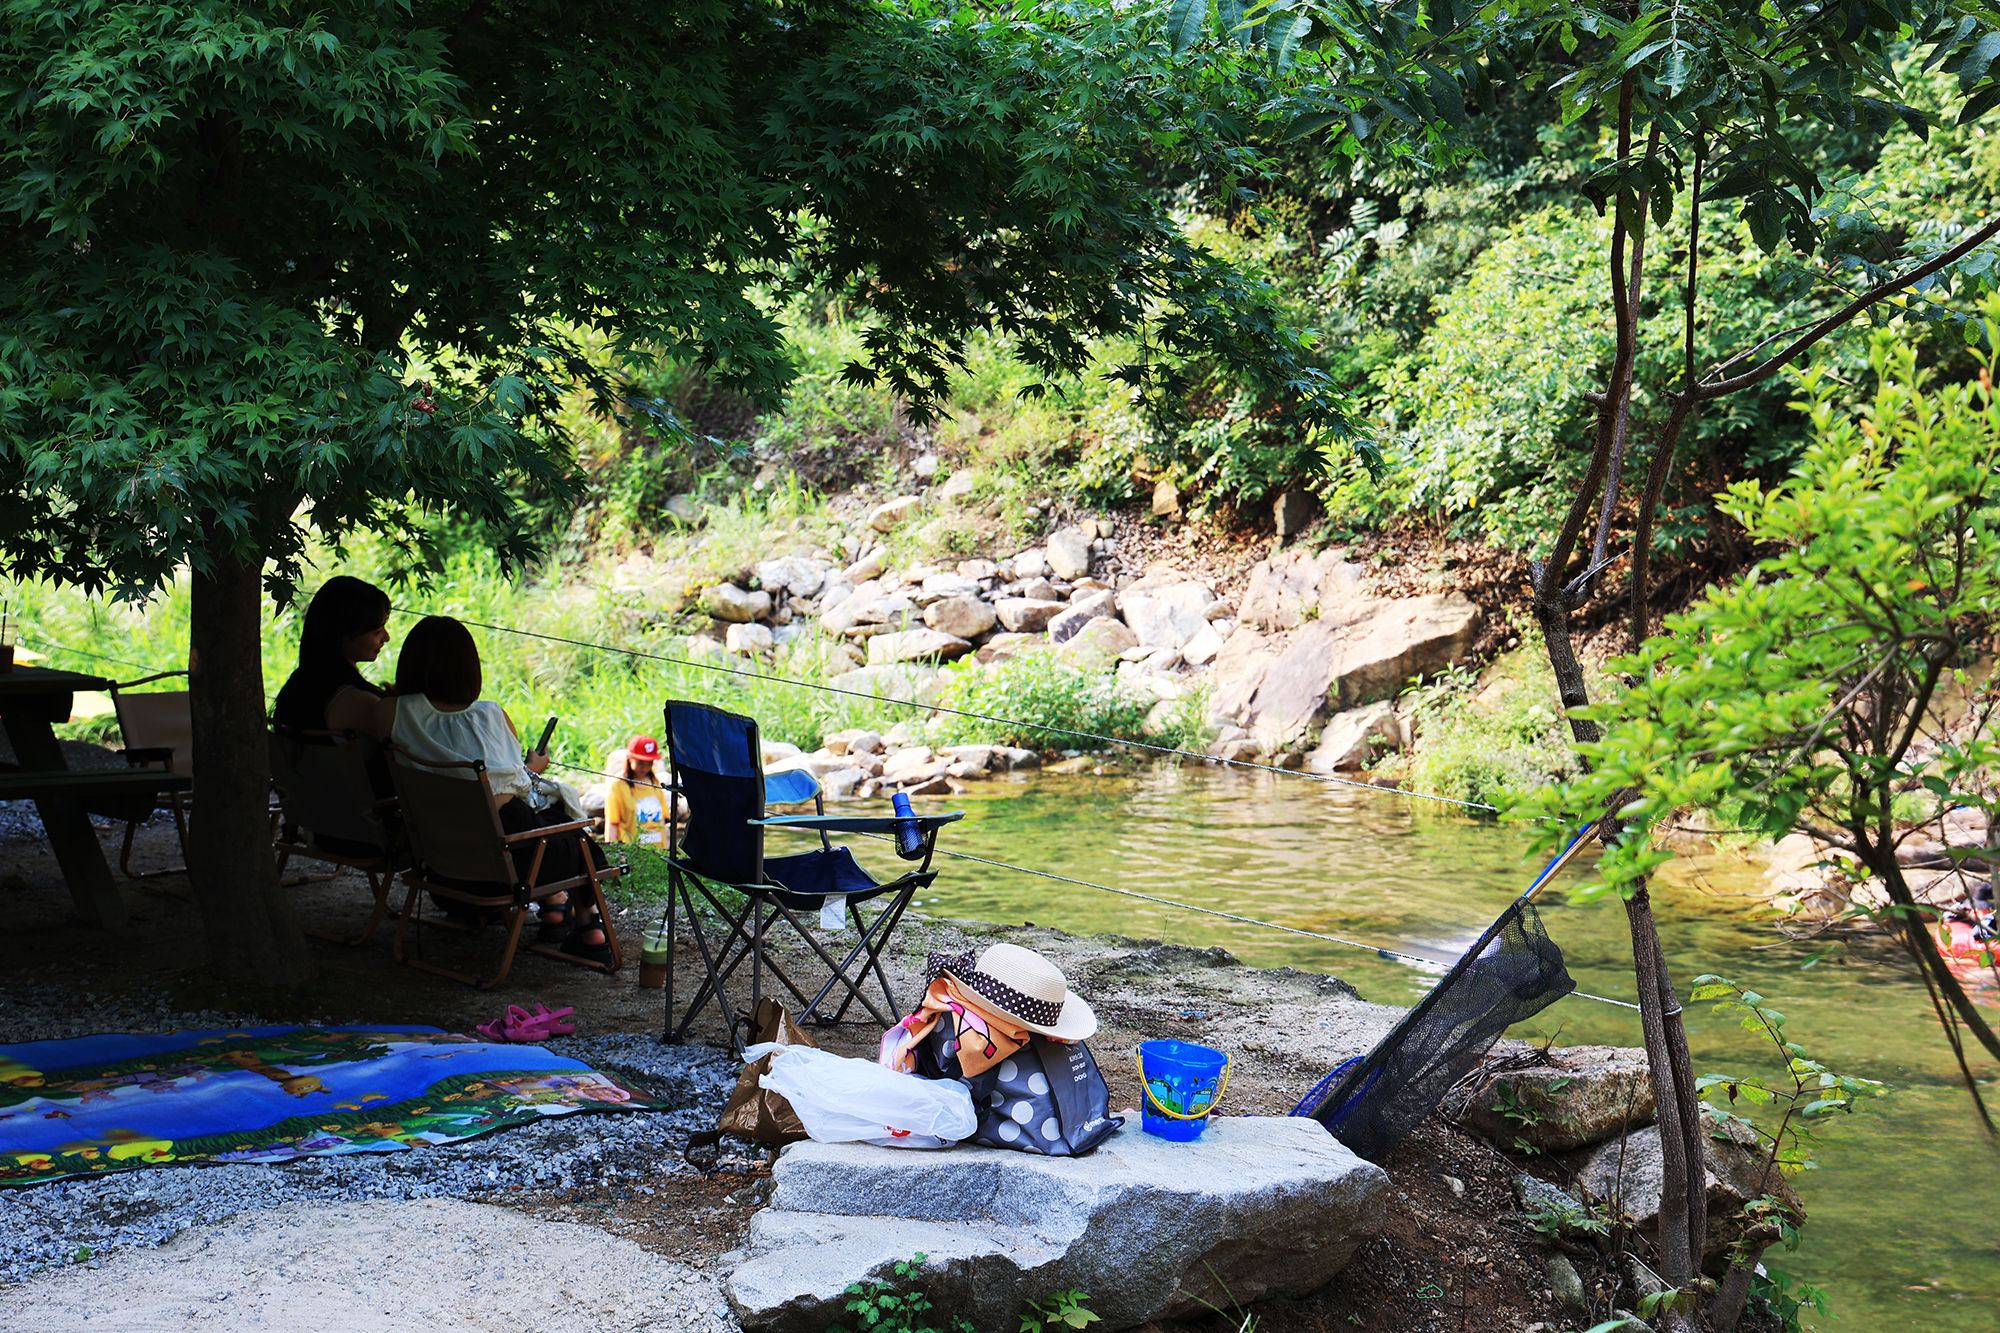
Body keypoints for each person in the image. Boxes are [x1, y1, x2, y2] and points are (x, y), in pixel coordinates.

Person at [382, 615, 612, 962]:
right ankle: (587, 925)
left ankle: (555, 909)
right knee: (575, 836)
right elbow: (506, 786)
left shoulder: (390, 712)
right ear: (469, 670)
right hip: (508, 866)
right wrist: (533, 770)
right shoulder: (491, 716)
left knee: (537, 824)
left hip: (442, 864)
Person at [272, 576, 393, 734]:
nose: (386, 637)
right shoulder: (361, 703)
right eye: (377, 632)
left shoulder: (299, 685)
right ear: (343, 636)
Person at [603, 735, 667, 847]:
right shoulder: (618, 785)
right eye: (640, 763)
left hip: (657, 852)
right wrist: (613, 853)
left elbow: (662, 821)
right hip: (633, 852)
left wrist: (666, 847)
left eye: (650, 763)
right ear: (629, 758)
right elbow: (612, 823)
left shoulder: (654, 782)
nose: (645, 769)